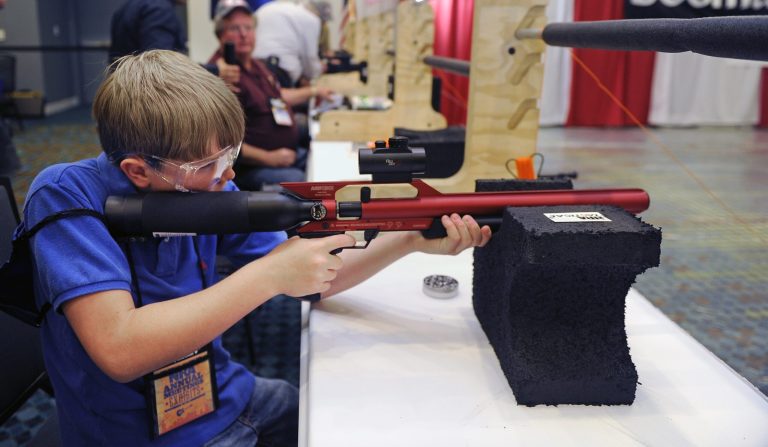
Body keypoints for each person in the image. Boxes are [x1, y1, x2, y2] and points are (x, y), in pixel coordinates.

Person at [21, 49, 491, 446]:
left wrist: (408, 236)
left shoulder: (207, 192)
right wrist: (269, 275)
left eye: (233, 155)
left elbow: (317, 282)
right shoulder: (64, 195)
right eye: (211, 163)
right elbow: (119, 349)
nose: (229, 175)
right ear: (139, 172)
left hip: (222, 392)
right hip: (135, 435)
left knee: (345, 420)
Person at [209, 0, 332, 189]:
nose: (243, 35)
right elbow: (223, 143)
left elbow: (278, 96)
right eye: (234, 28)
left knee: (320, 156)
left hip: (282, 152)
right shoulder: (225, 73)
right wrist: (269, 158)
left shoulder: (258, 65)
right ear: (220, 35)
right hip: (252, 167)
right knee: (302, 180)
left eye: (248, 28)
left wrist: (314, 91)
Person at [252, 0, 330, 87]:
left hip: (254, 65)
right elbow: (309, 59)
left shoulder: (282, 8)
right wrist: (319, 68)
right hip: (279, 71)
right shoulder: (312, 20)